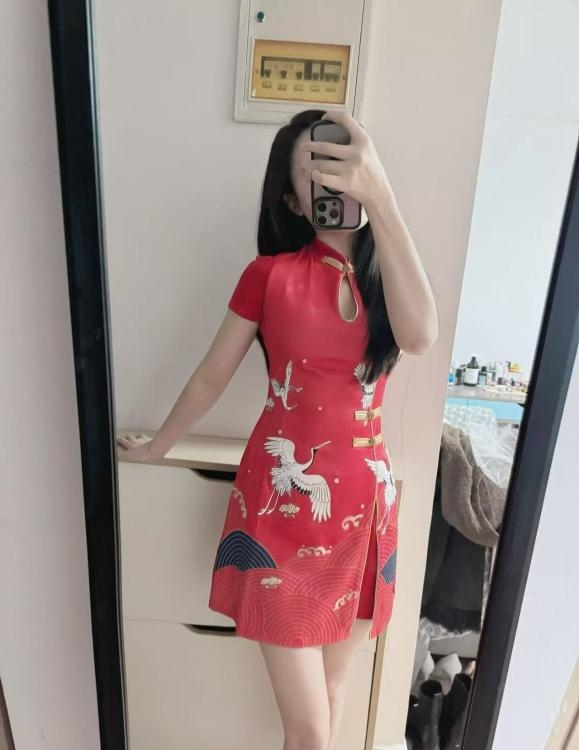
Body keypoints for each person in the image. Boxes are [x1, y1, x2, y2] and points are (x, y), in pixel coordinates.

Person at [117, 108, 438, 750]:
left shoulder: (390, 273)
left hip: (364, 517)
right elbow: (211, 376)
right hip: (281, 513)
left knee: (334, 694)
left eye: (341, 165)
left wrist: (383, 199)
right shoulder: (268, 275)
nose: (331, 180)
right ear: (293, 199)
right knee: (310, 728)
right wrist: (158, 447)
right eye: (313, 171)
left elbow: (420, 336)